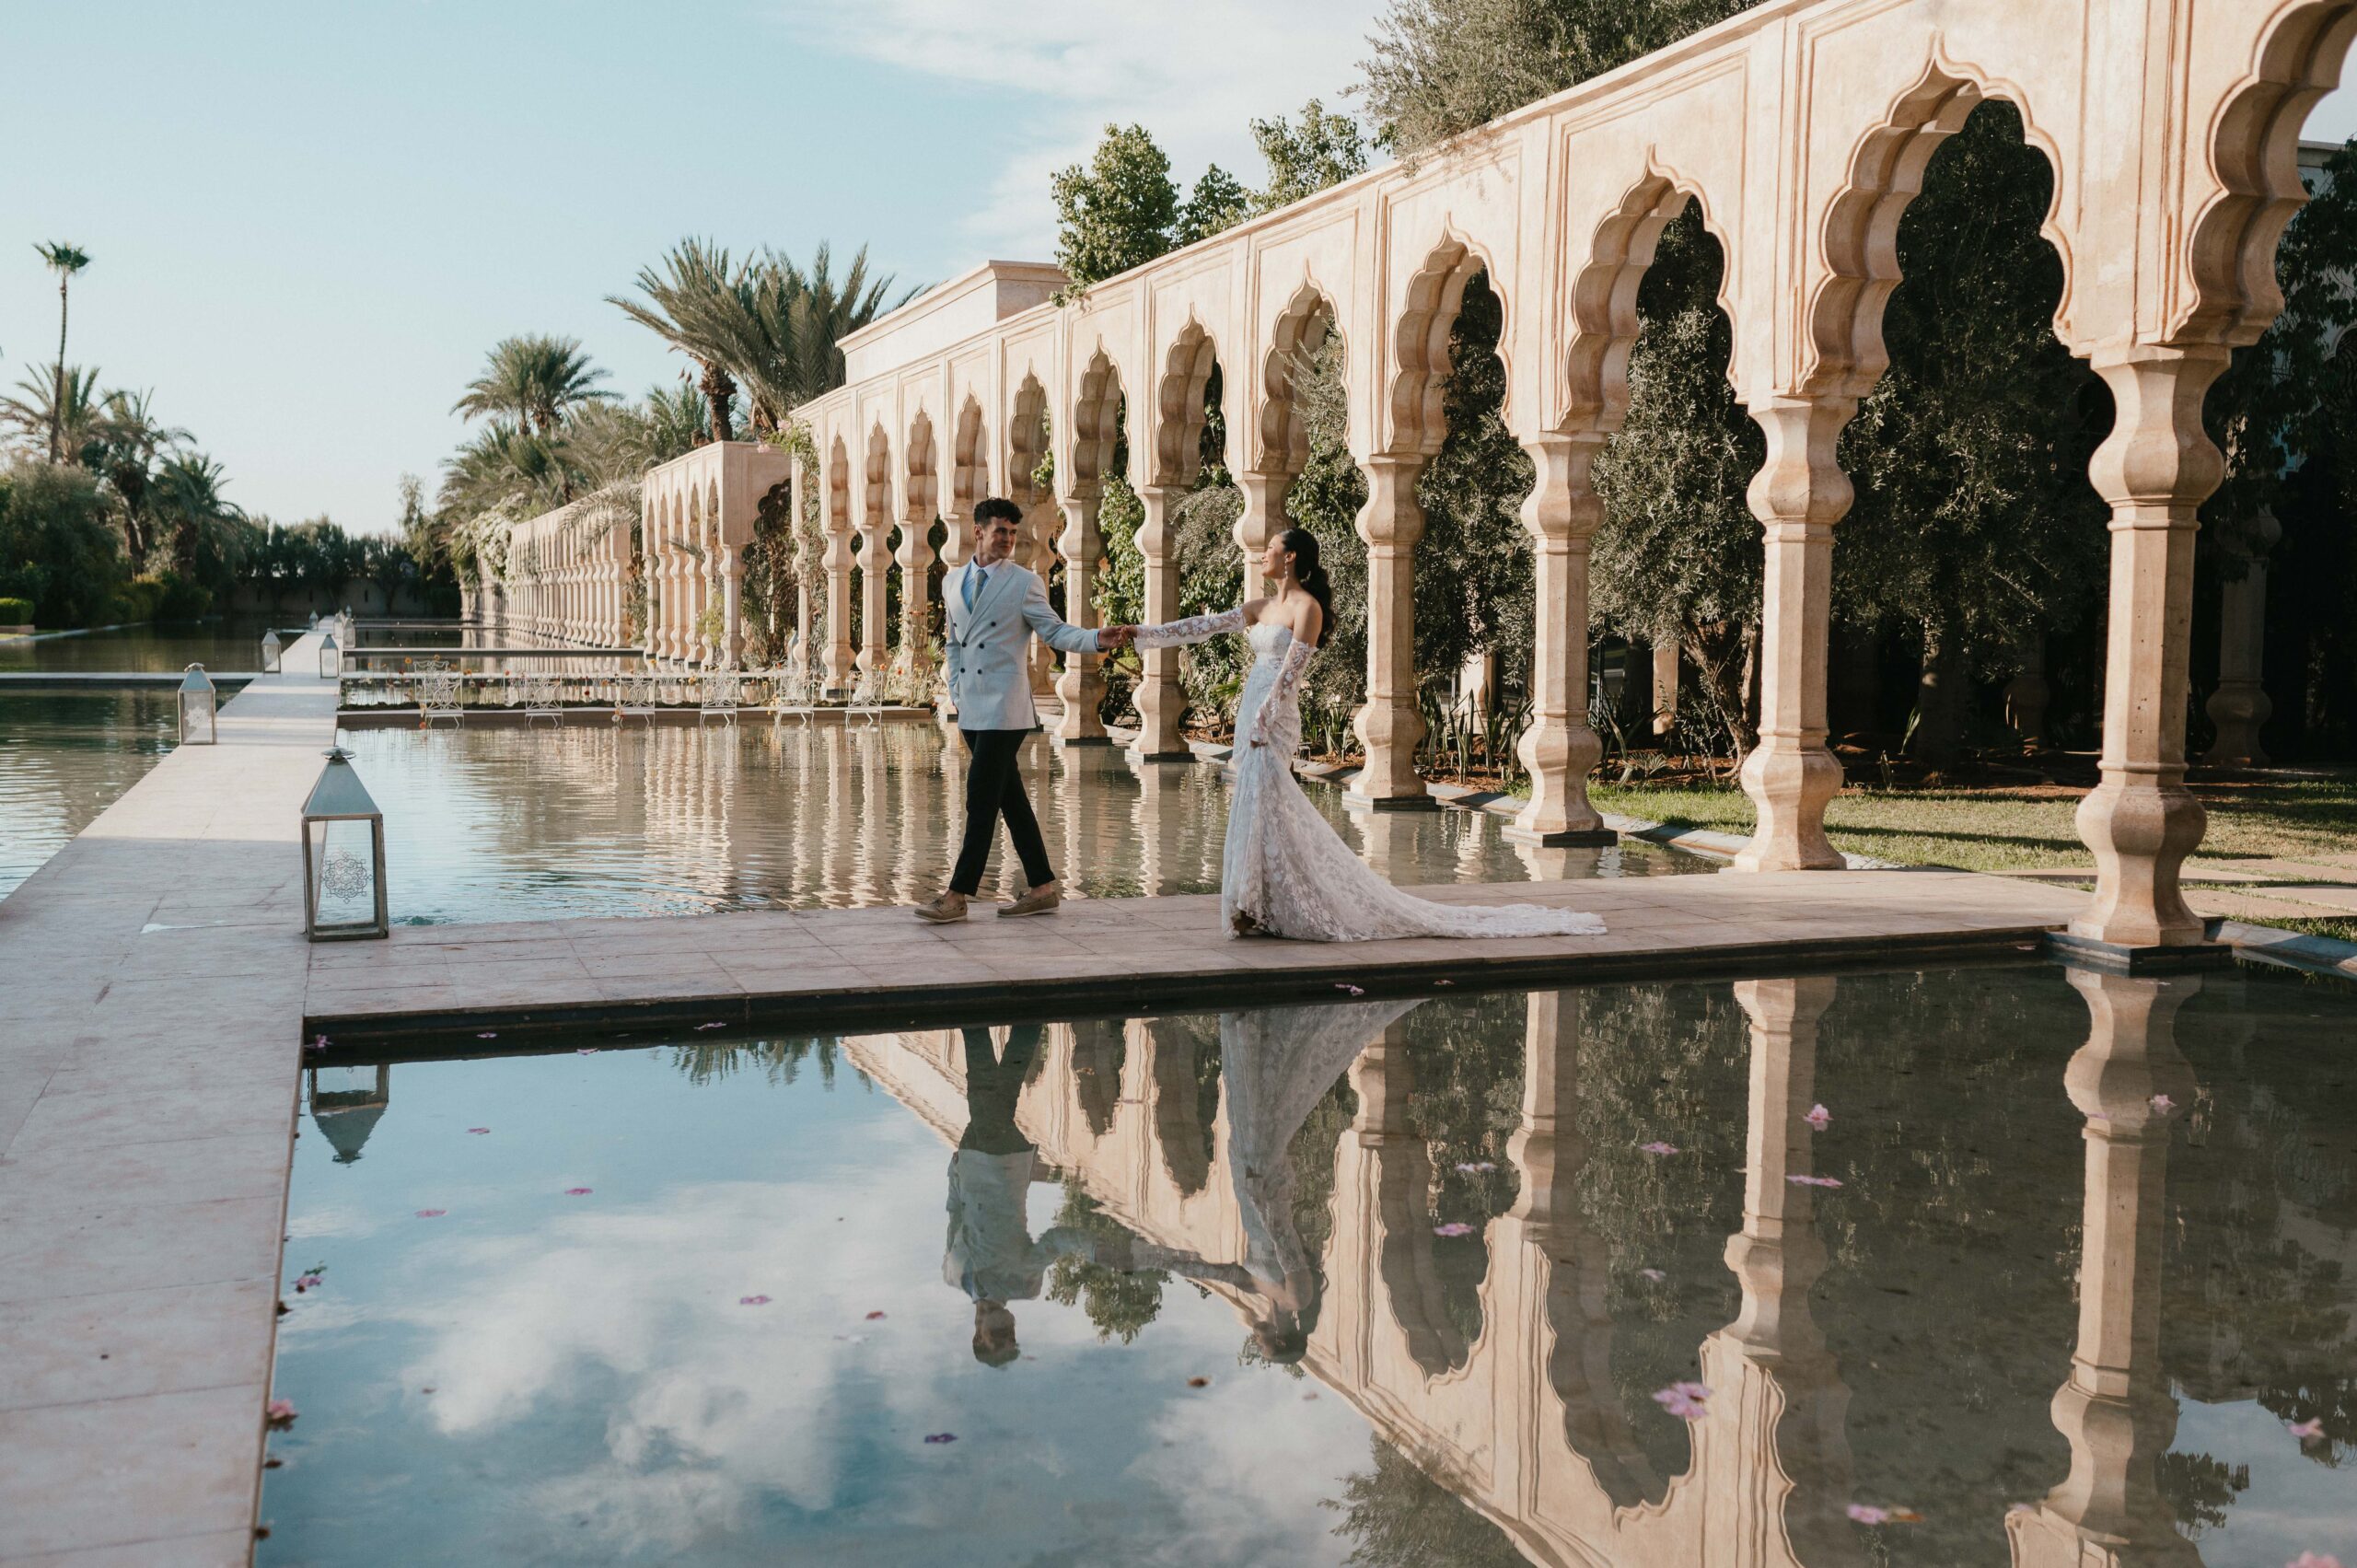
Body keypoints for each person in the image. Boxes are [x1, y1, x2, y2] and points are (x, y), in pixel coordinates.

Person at [1122, 528, 1606, 941]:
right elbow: (1201, 627)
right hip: (1254, 703)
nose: (1262, 554)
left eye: (1270, 548)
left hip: (1274, 712)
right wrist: (1141, 634)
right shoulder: (1261, 606)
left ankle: (1264, 903)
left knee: (1265, 799)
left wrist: (1265, 719)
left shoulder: (1306, 609)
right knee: (1254, 804)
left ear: (1290, 557)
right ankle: (1255, 904)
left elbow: (1292, 674)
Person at [914, 497, 1133, 923]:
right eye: (1001, 531)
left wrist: (1096, 639)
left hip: (1006, 709)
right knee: (1010, 800)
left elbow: (1053, 630)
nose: (1008, 540)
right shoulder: (952, 580)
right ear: (978, 532)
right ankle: (1042, 887)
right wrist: (955, 685)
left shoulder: (1024, 583)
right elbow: (954, 642)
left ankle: (957, 895)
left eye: (1013, 533)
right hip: (972, 708)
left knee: (980, 802)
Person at [942, 1025, 1127, 1365]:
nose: (1008, 1331)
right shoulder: (1023, 1284)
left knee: (996, 1091)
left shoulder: (952, 1276)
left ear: (978, 1332)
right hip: (1003, 1165)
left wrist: (954, 1171)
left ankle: (1024, 1023)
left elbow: (955, 1217)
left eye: (999, 1337)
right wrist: (1095, 1247)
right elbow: (1056, 1241)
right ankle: (980, 1021)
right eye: (1011, 1337)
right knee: (983, 1087)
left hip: (970, 1157)